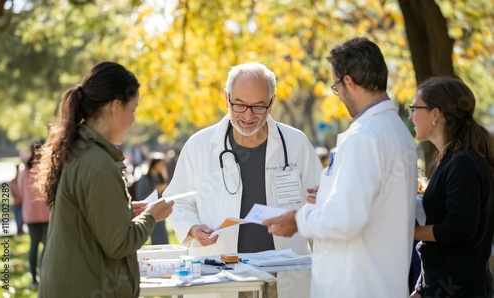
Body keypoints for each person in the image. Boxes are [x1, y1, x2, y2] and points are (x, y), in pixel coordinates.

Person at [264, 37, 418, 298]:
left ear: (348, 82)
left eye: (336, 86)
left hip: (356, 285)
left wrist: (298, 219)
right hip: (383, 281)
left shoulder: (364, 136)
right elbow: (375, 201)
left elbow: (346, 220)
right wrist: (327, 195)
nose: (338, 95)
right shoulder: (396, 130)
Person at [164, 61, 323, 298]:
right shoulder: (199, 146)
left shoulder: (296, 143)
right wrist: (192, 228)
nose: (248, 115)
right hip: (221, 274)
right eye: (239, 105)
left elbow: (319, 203)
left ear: (272, 102)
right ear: (227, 98)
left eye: (259, 106)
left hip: (282, 277)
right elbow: (177, 201)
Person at [37, 61, 173, 298]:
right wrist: (153, 216)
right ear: (115, 107)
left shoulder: (80, 150)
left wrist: (123, 212)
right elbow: (119, 244)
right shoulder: (97, 162)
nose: (133, 119)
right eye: (133, 109)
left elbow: (86, 219)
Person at [408, 77, 494, 298]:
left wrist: (408, 232)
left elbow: (458, 229)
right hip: (441, 286)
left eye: (414, 108)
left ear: (435, 114)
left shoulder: (463, 162)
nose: (410, 116)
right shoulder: (452, 159)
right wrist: (420, 290)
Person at [20, 142, 49, 289]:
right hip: (45, 214)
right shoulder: (47, 168)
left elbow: (20, 190)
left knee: (34, 245)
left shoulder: (25, 169)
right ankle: (43, 276)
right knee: (46, 246)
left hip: (30, 214)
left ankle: (33, 278)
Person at [135, 153, 170, 245]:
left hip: (161, 210)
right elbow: (141, 196)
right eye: (160, 164)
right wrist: (156, 190)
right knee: (156, 235)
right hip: (151, 210)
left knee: (163, 234)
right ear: (154, 165)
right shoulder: (144, 179)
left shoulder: (160, 177)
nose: (162, 167)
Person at [9, 163, 24, 235]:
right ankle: (19, 232)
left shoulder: (22, 180)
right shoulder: (13, 181)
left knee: (21, 219)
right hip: (17, 203)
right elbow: (13, 193)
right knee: (18, 219)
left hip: (22, 203)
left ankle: (21, 232)